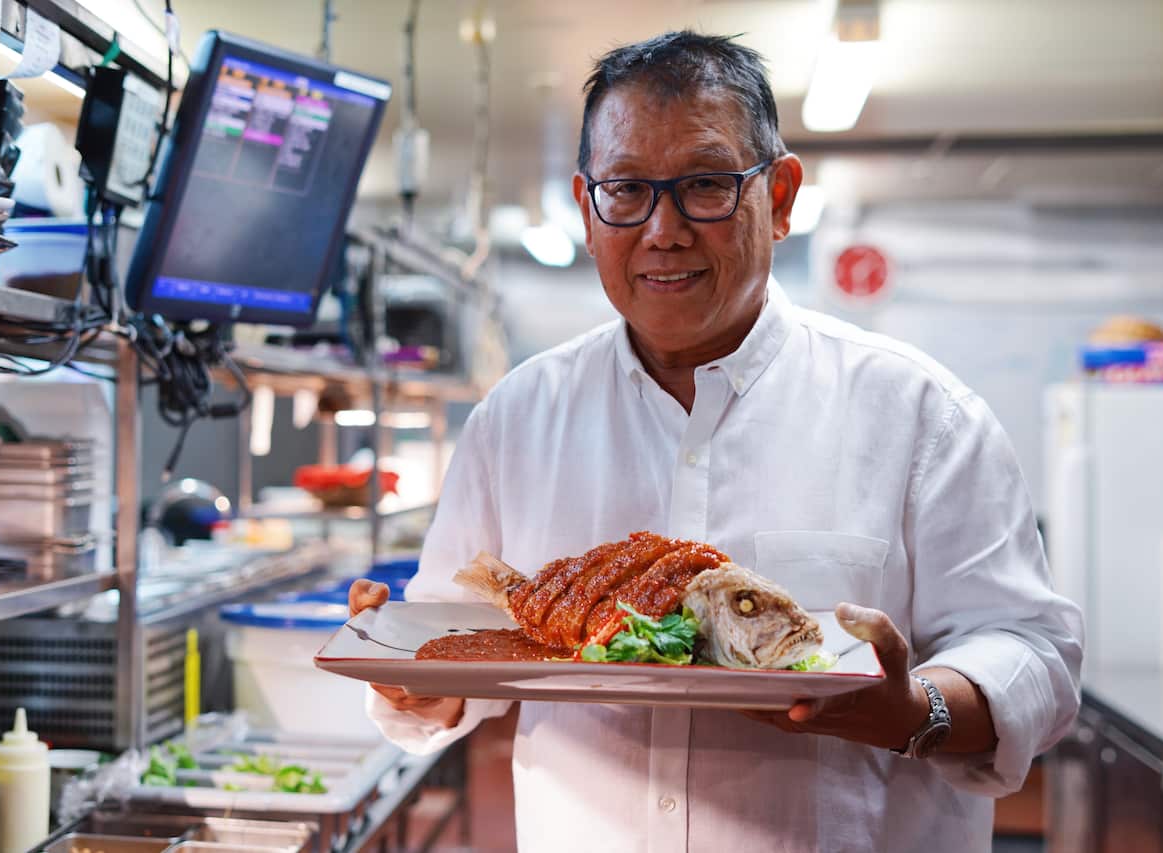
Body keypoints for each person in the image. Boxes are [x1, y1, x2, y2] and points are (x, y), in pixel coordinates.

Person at [351, 30, 1083, 853]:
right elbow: (453, 641)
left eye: (705, 185)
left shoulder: (919, 414)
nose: (662, 230)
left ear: (779, 195)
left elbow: (1034, 652)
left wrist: (919, 710)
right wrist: (411, 685)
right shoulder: (515, 420)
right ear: (589, 207)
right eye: (626, 190)